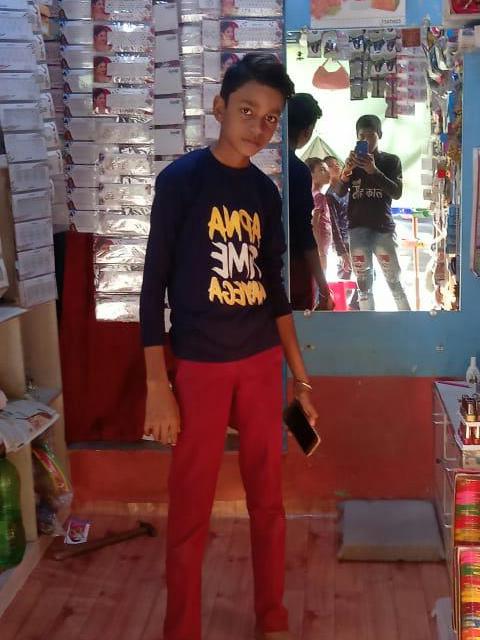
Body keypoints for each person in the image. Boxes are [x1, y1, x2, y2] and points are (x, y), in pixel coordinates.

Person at [140, 53, 318, 640]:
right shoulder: (181, 183)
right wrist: (158, 386)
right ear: (219, 108)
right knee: (190, 506)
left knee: (268, 500)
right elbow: (152, 290)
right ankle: (181, 629)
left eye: (270, 118)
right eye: (247, 110)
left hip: (262, 362)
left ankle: (273, 618)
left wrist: (301, 379)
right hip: (200, 367)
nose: (258, 127)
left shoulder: (266, 193)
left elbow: (275, 293)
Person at [336, 114, 411, 311]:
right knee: (363, 287)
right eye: (362, 136)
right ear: (357, 138)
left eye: (371, 135)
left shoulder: (391, 161)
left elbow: (397, 192)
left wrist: (374, 171)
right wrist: (346, 172)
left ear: (380, 135)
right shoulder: (352, 163)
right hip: (357, 229)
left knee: (395, 282)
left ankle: (407, 322)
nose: (366, 140)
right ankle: (367, 325)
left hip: (382, 228)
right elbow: (339, 192)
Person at [288, 93, 333, 311]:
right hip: (294, 265)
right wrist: (323, 287)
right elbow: (304, 234)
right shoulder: (297, 170)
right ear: (307, 131)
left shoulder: (259, 163)